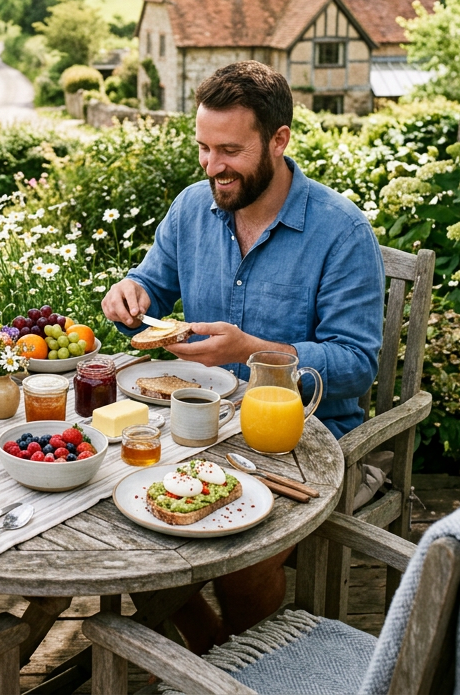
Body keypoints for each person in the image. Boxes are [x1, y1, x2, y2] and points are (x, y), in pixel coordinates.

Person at [102, 61, 384, 651]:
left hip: (304, 444)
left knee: (240, 554)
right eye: (203, 148)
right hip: (197, 425)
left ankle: (240, 662)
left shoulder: (341, 231)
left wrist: (256, 353)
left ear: (279, 140)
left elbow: (356, 363)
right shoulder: (190, 209)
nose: (212, 167)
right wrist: (132, 291)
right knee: (114, 513)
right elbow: (152, 280)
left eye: (229, 150)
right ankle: (219, 658)